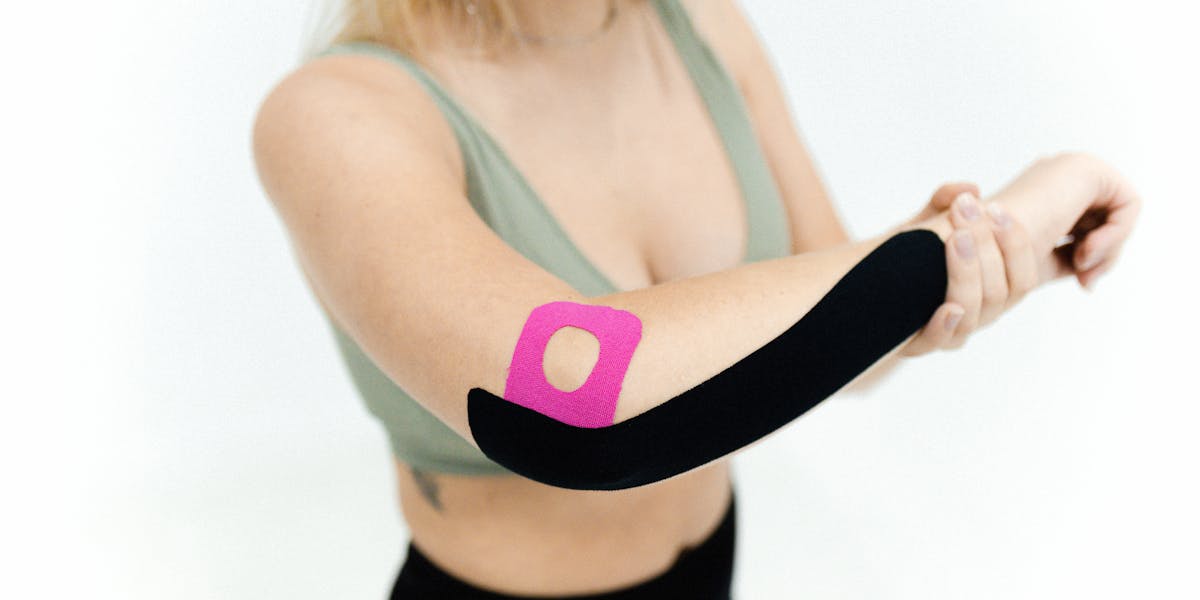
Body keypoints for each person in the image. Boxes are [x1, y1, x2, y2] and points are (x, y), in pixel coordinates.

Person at [252, 1, 1141, 597]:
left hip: (714, 564)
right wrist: (948, 250)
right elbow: (573, 408)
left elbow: (832, 344)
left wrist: (975, 249)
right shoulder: (338, 111)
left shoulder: (703, 24)